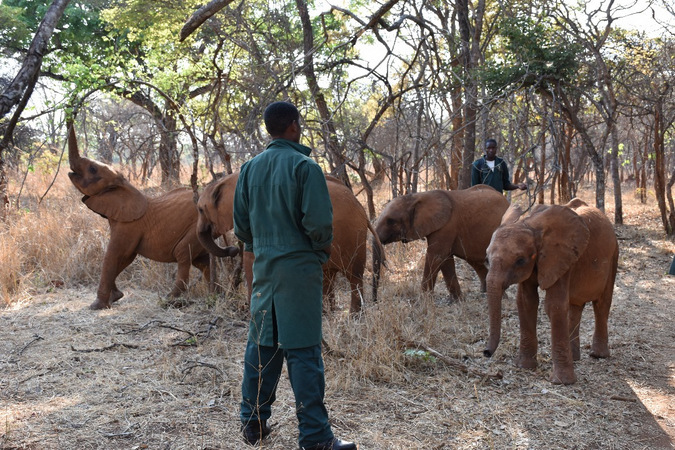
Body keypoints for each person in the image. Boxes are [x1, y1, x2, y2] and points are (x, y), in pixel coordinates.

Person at [233, 101, 357, 450]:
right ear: (293, 126)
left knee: (262, 349)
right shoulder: (306, 167)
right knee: (303, 354)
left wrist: (265, 250)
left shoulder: (248, 169)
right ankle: (315, 437)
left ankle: (253, 425)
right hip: (299, 270)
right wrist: (318, 253)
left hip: (265, 271)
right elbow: (319, 225)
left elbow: (242, 228)